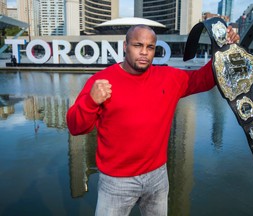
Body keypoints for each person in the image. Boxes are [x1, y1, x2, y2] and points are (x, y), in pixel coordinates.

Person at [66, 24, 240, 216]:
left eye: (150, 47)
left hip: (157, 176)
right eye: (137, 45)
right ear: (125, 47)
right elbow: (75, 127)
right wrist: (91, 101)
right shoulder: (101, 81)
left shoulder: (168, 77)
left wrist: (227, 49)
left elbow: (204, 79)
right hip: (117, 181)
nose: (144, 52)